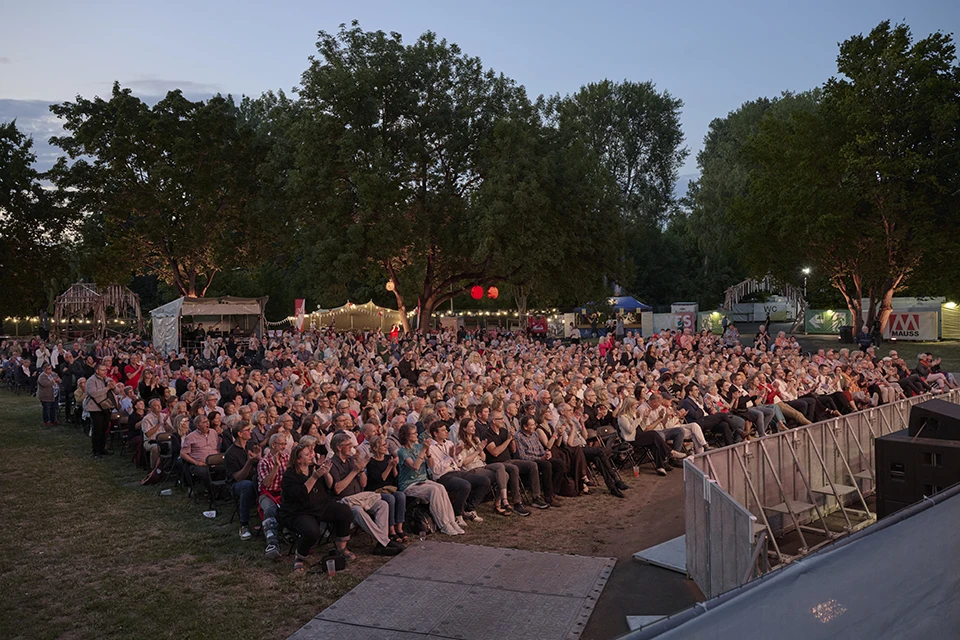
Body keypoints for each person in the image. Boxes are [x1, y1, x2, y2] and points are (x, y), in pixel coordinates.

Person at [280, 442, 355, 572]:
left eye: (311, 453)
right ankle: (300, 556)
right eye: (307, 454)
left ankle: (341, 546)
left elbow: (330, 485)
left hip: (320, 506)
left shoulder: (314, 468)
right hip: (299, 511)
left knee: (344, 511)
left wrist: (325, 472)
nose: (311, 455)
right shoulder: (290, 475)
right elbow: (300, 495)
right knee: (312, 531)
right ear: (298, 459)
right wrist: (314, 477)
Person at [324, 431, 401, 556]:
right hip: (344, 502)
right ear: (339, 447)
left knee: (382, 504)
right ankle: (385, 542)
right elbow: (337, 489)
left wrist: (360, 469)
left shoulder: (351, 460)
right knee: (358, 511)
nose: (352, 447)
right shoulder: (332, 464)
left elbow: (364, 484)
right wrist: (354, 472)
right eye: (348, 444)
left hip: (360, 497)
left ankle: (380, 544)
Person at [396, 424, 464, 535]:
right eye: (414, 433)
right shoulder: (402, 451)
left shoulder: (418, 447)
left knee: (441, 487)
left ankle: (451, 521)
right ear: (407, 436)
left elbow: (431, 465)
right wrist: (423, 449)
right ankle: (443, 524)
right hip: (410, 484)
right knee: (434, 491)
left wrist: (428, 453)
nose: (417, 434)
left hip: (423, 480)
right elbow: (415, 466)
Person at [426, 421, 490, 527]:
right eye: (443, 430)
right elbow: (436, 470)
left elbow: (459, 463)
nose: (446, 432)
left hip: (456, 471)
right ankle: (457, 514)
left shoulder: (449, 443)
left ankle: (470, 509)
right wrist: (450, 457)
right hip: (443, 476)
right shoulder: (431, 448)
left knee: (484, 481)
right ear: (435, 433)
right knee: (465, 485)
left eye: (446, 429)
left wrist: (457, 454)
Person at [482, 410, 550, 510]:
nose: (503, 420)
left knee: (532, 465)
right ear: (493, 421)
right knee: (513, 468)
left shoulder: (504, 431)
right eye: (500, 419)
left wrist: (512, 438)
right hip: (496, 463)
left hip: (509, 460)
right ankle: (517, 502)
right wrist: (508, 440)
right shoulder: (486, 434)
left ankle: (536, 497)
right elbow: (495, 452)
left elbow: (513, 449)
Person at [364, 435, 409, 542]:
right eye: (383, 445)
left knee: (401, 495)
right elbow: (380, 480)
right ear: (375, 448)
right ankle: (391, 529)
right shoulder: (371, 462)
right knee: (390, 499)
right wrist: (389, 467)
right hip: (377, 490)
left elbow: (396, 477)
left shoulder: (389, 458)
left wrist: (393, 467)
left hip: (390, 488)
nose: (386, 447)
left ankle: (399, 527)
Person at [513, 416, 564, 507]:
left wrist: (547, 453)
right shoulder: (518, 437)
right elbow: (522, 456)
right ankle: (548, 497)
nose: (535, 426)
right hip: (529, 462)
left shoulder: (534, 434)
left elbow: (541, 449)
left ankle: (553, 492)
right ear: (525, 427)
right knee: (546, 465)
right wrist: (540, 458)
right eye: (532, 425)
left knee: (559, 464)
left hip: (541, 458)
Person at [224, 421, 262, 541]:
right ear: (240, 434)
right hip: (237, 484)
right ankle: (244, 524)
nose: (250, 432)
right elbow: (238, 477)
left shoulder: (252, 445)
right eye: (247, 430)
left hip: (255, 479)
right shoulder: (230, 453)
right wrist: (249, 462)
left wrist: (259, 458)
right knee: (247, 485)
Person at [617, 397, 672, 476]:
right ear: (629, 405)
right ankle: (670, 452)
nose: (636, 406)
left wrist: (645, 418)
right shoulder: (622, 417)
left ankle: (660, 467)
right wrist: (638, 419)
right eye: (635, 405)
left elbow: (642, 428)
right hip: (632, 439)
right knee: (653, 434)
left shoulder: (633, 414)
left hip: (639, 435)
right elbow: (630, 430)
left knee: (654, 444)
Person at [84, 363, 117, 458]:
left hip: (106, 407)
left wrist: (114, 387)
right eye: (102, 370)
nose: (105, 372)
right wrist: (107, 388)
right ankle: (96, 451)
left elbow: (117, 391)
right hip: (95, 408)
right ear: (97, 371)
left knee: (104, 429)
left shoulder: (107, 379)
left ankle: (102, 448)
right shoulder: (91, 380)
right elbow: (93, 393)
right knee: (97, 430)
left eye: (105, 370)